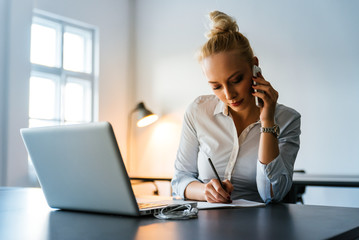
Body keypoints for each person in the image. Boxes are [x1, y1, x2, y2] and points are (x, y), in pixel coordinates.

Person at [171, 11, 301, 204]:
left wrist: (267, 123)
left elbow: (273, 194)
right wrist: (205, 191)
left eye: (236, 80)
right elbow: (180, 180)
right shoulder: (198, 111)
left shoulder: (287, 119)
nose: (228, 94)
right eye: (216, 86)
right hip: (207, 227)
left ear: (254, 67)